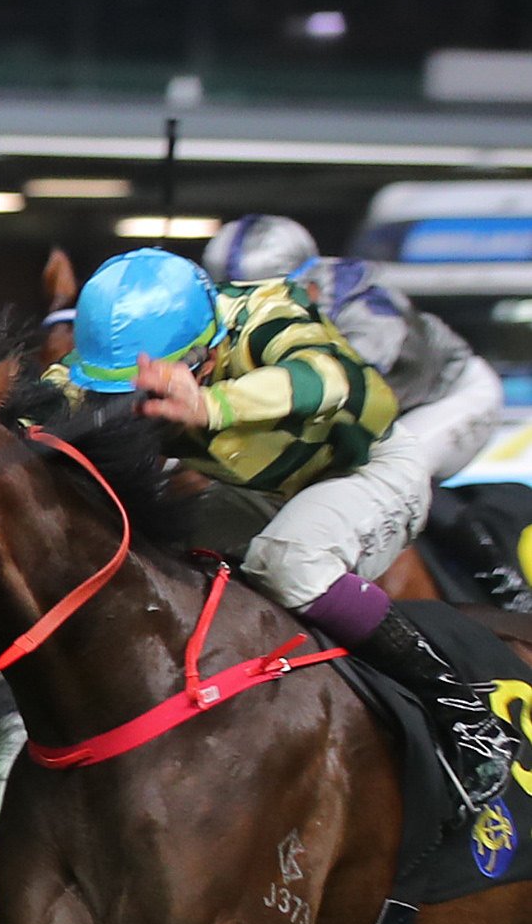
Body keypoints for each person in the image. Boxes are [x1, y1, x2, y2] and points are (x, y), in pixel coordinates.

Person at [70, 248, 511, 799]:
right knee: (154, 550)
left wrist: (212, 406)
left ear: (203, 355)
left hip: (368, 467)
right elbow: (52, 399)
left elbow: (329, 379)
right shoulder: (127, 355)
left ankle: (462, 712)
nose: (131, 402)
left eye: (142, 389)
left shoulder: (267, 312)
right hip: (262, 487)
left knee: (288, 561)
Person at [207, 212, 520, 608]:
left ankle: (505, 585)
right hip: (373, 409)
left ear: (309, 280)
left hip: (443, 398)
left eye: (267, 295)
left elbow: (344, 396)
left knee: (397, 470)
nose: (250, 310)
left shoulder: (365, 307)